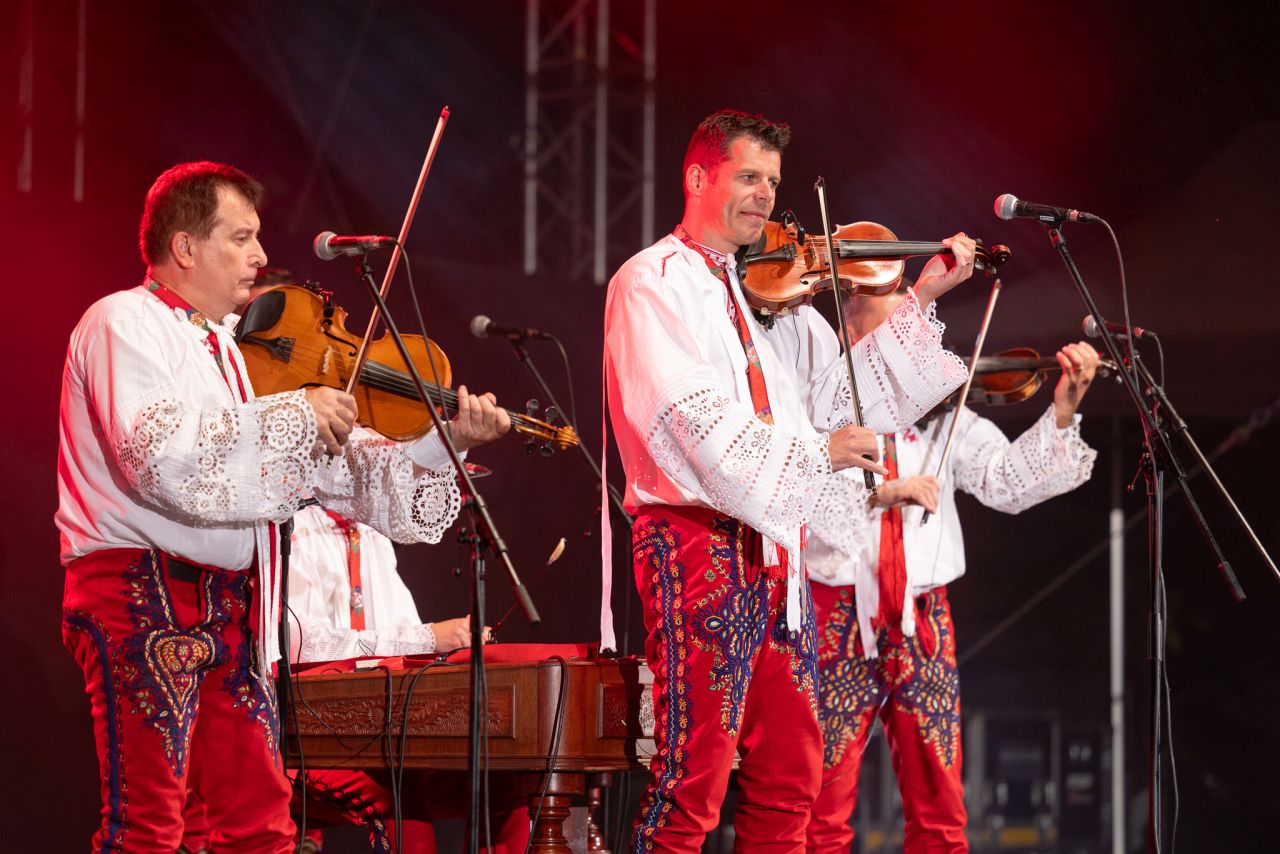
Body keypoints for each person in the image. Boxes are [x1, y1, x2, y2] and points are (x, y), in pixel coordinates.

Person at [57, 161, 509, 853]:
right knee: (147, 825)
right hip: (141, 594)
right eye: (241, 238)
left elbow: (344, 472)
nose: (260, 255)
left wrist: (439, 442)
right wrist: (297, 415)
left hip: (230, 602)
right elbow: (160, 455)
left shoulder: (232, 352)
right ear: (185, 247)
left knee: (261, 825)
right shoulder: (123, 321)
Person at [603, 109, 978, 852]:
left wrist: (923, 299)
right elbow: (692, 423)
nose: (766, 196)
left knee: (792, 777)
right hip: (697, 542)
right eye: (748, 177)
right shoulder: (651, 282)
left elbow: (846, 404)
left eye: (772, 182)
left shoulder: (782, 306)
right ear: (697, 178)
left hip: (780, 555)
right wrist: (816, 451)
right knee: (693, 777)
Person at [803, 284, 1101, 853]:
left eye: (911, 336)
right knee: (821, 807)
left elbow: (1005, 481)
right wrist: (885, 493)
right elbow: (797, 499)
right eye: (888, 335)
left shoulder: (943, 417)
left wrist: (1062, 410)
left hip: (923, 619)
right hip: (836, 614)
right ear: (849, 336)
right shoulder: (817, 412)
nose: (903, 350)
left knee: (940, 805)